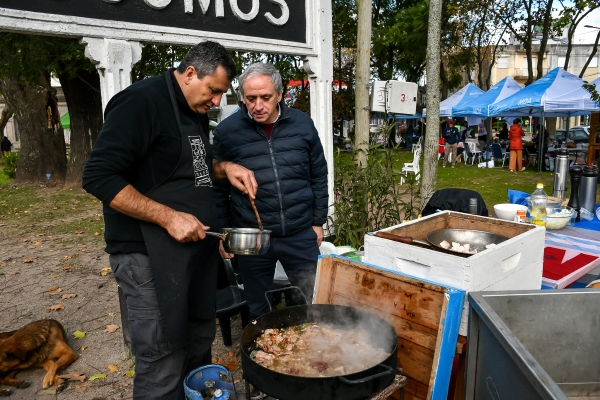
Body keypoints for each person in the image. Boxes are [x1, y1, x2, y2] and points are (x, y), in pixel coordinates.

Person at [82, 41, 257, 400]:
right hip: (147, 257)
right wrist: (168, 217)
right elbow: (99, 176)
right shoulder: (140, 102)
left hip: (193, 254)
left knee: (196, 346)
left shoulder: (193, 109)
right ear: (190, 73)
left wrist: (225, 168)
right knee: (162, 358)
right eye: (214, 91)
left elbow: (189, 168)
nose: (217, 102)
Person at [213, 62, 328, 323]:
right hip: (253, 238)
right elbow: (218, 187)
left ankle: (315, 355)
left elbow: (318, 174)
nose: (258, 105)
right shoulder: (227, 132)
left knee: (313, 300)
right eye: (251, 98)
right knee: (258, 307)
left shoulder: (302, 124)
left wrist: (318, 221)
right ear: (242, 97)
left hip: (300, 233)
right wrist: (223, 232)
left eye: (265, 97)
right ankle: (262, 358)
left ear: (279, 94)